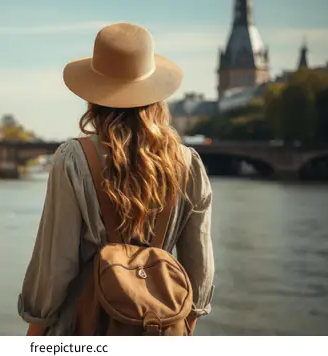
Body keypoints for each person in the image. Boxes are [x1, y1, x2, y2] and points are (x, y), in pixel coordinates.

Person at [17, 22, 214, 336]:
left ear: (93, 95)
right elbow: (199, 265)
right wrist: (180, 324)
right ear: (156, 96)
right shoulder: (189, 165)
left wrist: (36, 329)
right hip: (162, 328)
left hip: (85, 327)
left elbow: (56, 263)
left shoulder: (74, 159)